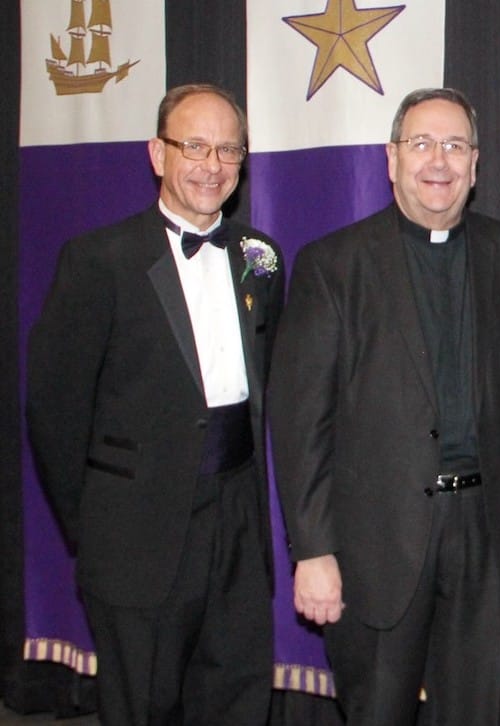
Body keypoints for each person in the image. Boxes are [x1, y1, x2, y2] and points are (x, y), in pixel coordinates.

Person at [269, 88, 500, 725]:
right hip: (374, 549)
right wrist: (312, 551)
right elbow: (300, 423)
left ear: (476, 164)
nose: (437, 160)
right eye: (421, 144)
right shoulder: (333, 266)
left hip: (489, 538)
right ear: (390, 159)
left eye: (454, 145)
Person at [26, 83, 281, 724]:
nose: (212, 165)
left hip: (238, 523)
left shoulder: (263, 259)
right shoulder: (97, 260)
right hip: (136, 537)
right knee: (142, 705)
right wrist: (97, 531)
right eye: (194, 145)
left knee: (237, 697)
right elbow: (53, 411)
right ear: (156, 153)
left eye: (228, 150)